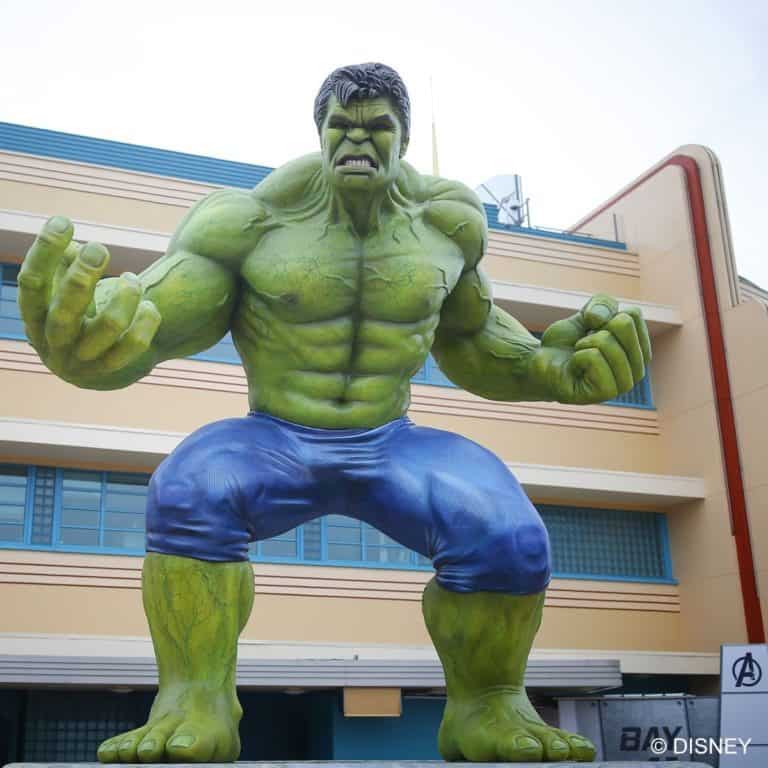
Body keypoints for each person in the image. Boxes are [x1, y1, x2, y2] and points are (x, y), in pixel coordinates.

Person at [19, 62, 650, 763]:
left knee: (507, 531)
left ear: (403, 138)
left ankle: (488, 706)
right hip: (276, 438)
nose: (359, 142)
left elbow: (470, 337)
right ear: (318, 132)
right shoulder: (250, 220)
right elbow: (162, 316)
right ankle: (195, 699)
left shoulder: (448, 223)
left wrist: (549, 369)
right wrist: (96, 348)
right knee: (189, 487)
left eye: (378, 128)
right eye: (342, 127)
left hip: (391, 443)